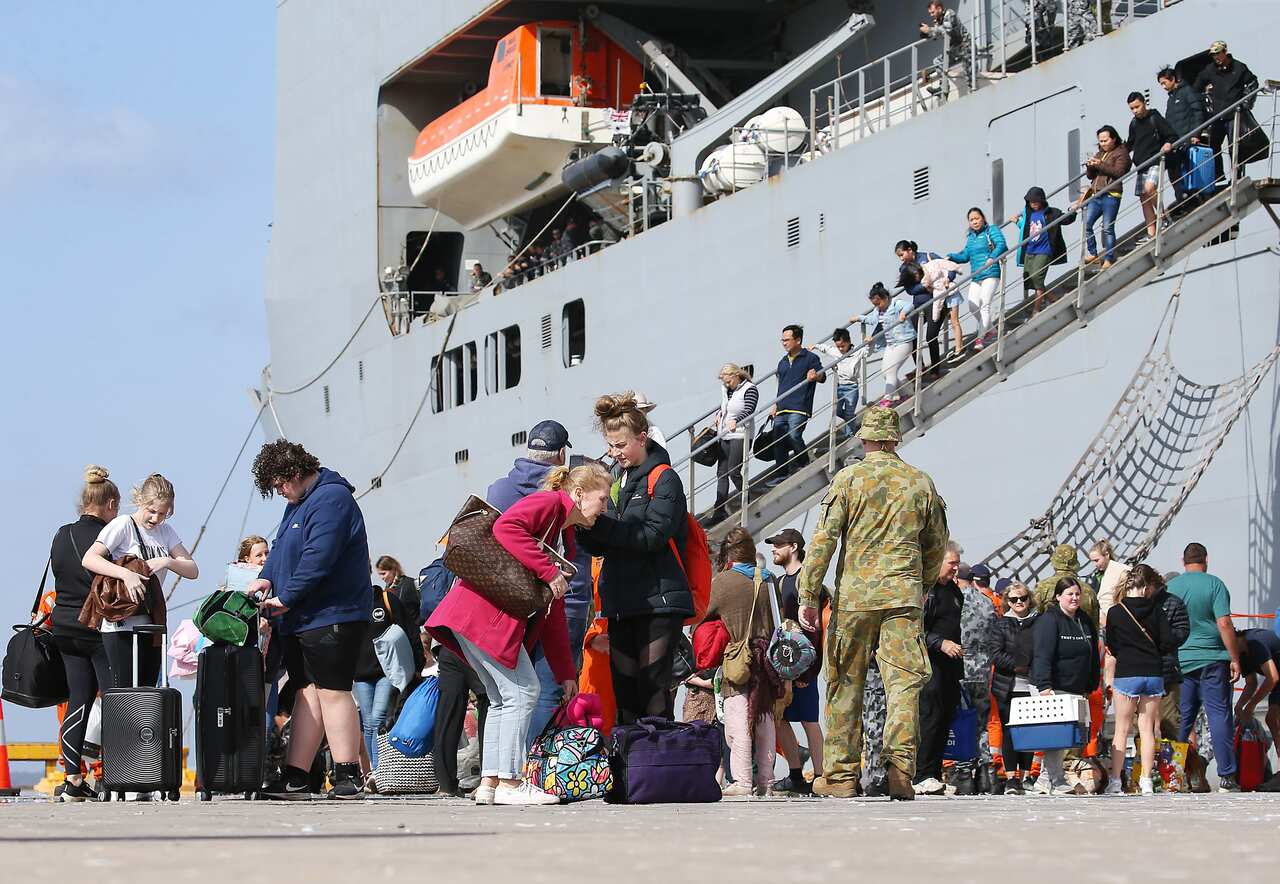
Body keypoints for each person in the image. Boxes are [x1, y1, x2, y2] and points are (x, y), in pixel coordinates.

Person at [428, 464, 606, 805]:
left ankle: (490, 784)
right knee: (524, 691)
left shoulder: (562, 535)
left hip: (475, 616)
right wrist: (548, 569)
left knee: (501, 698)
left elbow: (550, 612)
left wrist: (566, 673)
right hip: (484, 617)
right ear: (580, 494)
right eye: (602, 498)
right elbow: (506, 527)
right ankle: (511, 783)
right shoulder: (550, 504)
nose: (604, 508)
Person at [798, 406, 949, 800]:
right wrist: (923, 584)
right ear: (895, 439)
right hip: (903, 596)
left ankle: (842, 776)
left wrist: (809, 594)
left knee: (845, 683)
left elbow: (823, 541)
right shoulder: (920, 483)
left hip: (855, 600)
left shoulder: (848, 480)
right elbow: (936, 545)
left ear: (866, 438)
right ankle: (900, 769)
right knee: (903, 684)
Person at [248, 441, 372, 801]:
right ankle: (296, 776)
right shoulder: (297, 503)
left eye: (280, 485)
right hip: (302, 616)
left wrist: (287, 597)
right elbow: (282, 547)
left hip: (332, 613)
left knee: (333, 690)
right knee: (307, 692)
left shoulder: (332, 499)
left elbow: (320, 556)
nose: (280, 493)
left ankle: (347, 773)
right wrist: (266, 577)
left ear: (296, 473)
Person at [577, 393, 694, 723]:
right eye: (611, 446)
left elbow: (652, 535)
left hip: (657, 601)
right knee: (625, 695)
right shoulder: (616, 482)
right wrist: (584, 525)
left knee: (653, 690)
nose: (615, 454)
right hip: (622, 603)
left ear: (642, 438)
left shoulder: (664, 478)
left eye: (621, 445)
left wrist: (604, 528)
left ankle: (659, 768)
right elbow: (605, 544)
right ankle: (632, 771)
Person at [484, 419, 585, 741]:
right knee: (547, 688)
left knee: (505, 696)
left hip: (507, 601)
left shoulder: (500, 489)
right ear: (561, 454)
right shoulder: (561, 491)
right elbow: (570, 549)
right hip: (557, 597)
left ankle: (503, 767)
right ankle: (533, 765)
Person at [82, 473, 197, 693]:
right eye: (151, 511)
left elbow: (192, 570)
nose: (156, 518)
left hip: (150, 621)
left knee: (147, 694)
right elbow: (90, 558)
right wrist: (126, 574)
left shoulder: (165, 531)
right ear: (140, 502)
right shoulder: (124, 524)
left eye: (162, 514)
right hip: (121, 620)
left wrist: (167, 561)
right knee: (124, 694)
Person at [47, 466, 121, 801]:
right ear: (110, 504)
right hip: (97, 626)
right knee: (114, 699)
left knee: (77, 699)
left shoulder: (61, 534)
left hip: (63, 625)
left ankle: (73, 779)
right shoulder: (109, 536)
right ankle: (118, 777)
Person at [702, 528, 779, 797]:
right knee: (764, 718)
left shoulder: (724, 581)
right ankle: (767, 783)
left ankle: (743, 782)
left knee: (738, 721)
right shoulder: (770, 579)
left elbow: (702, 614)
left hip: (738, 658)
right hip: (769, 658)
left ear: (728, 554)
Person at [1166, 542, 1241, 792]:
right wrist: (1235, 658)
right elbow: (1224, 624)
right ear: (1206, 559)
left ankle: (1174, 775)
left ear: (1183, 560)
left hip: (1181, 662)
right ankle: (1227, 777)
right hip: (1213, 660)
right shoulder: (1214, 584)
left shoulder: (1172, 587)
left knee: (1181, 720)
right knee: (1219, 716)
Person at [1103, 564, 1177, 796]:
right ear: (1145, 587)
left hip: (1127, 672)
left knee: (1122, 730)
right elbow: (1167, 643)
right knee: (1147, 729)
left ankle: (1116, 781)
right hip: (1153, 673)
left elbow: (1112, 645)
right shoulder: (1157, 610)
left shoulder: (1116, 612)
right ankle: (1145, 780)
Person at [1029, 577, 1101, 795]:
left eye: (1077, 594)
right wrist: (1044, 686)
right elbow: (1042, 654)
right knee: (1056, 736)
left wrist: (1091, 683)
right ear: (1058, 596)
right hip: (1053, 686)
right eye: (1069, 594)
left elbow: (1093, 654)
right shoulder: (1049, 620)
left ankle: (1043, 780)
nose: (1075, 598)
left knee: (1066, 737)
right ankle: (1056, 780)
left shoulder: (1084, 620)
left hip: (1076, 687)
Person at [766, 528, 824, 796]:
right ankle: (795, 774)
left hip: (806, 666)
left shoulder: (808, 581)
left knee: (809, 721)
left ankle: (822, 776)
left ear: (794, 547)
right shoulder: (779, 583)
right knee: (781, 719)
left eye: (778, 545)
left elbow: (820, 628)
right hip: (785, 666)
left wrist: (811, 669)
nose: (773, 549)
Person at [353, 581, 425, 780]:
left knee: (377, 718)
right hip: (360, 675)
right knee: (368, 723)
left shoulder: (385, 600)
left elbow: (410, 630)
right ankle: (373, 773)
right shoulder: (348, 603)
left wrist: (418, 663)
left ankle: (378, 771)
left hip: (387, 671)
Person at [916, 542, 964, 796]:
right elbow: (916, 630)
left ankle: (934, 774)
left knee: (945, 718)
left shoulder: (955, 592)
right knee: (929, 718)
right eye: (952, 563)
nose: (956, 568)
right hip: (929, 663)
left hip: (951, 667)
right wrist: (940, 643)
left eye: (957, 563)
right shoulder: (926, 591)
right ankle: (920, 774)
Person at [954, 556, 1000, 794]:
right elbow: (994, 635)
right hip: (982, 669)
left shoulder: (955, 601)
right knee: (982, 723)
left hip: (960, 665)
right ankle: (986, 772)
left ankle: (963, 773)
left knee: (962, 721)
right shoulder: (986, 602)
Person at [991, 581, 1039, 795]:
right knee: (1010, 731)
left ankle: (1027, 775)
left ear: (1029, 599)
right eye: (1014, 599)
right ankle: (1011, 777)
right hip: (1008, 686)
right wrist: (1017, 665)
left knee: (1028, 731)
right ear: (1007, 601)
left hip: (1031, 685)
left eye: (1023, 598)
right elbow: (995, 652)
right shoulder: (1001, 624)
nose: (1019, 602)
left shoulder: (1038, 622)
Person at [1193, 41, 1260, 183]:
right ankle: (1218, 175)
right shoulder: (1210, 69)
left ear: (1225, 51)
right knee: (1213, 145)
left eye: (1218, 53)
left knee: (1234, 146)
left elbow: (1253, 83)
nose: (1216, 57)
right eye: (1213, 54)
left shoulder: (1239, 68)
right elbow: (1197, 86)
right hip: (1218, 115)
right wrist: (1205, 97)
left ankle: (1236, 176)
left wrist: (1247, 102)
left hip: (1234, 113)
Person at [768, 325, 825, 483]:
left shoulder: (810, 358)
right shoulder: (782, 362)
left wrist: (815, 376)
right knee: (778, 441)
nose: (784, 343)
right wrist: (775, 404)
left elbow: (823, 376)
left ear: (798, 340)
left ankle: (804, 462)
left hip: (799, 407)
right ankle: (781, 474)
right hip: (782, 407)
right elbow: (782, 385)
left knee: (794, 435)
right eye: (782, 340)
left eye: (787, 340)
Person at [946, 208, 1007, 351]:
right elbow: (966, 256)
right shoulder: (971, 237)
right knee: (973, 306)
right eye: (971, 220)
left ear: (983, 218)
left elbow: (1001, 244)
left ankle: (980, 338)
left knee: (985, 304)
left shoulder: (991, 230)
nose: (974, 222)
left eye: (977, 218)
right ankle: (990, 330)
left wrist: (993, 257)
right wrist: (951, 256)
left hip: (991, 273)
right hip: (977, 275)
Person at [1008, 186, 1076, 315]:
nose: (1033, 204)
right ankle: (1051, 298)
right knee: (1031, 279)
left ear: (1042, 201)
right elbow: (1026, 229)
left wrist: (1072, 210)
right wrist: (1017, 221)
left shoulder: (1051, 213)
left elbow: (1066, 219)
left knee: (1036, 277)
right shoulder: (1029, 214)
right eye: (1030, 202)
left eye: (1035, 201)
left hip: (1044, 251)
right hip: (1030, 251)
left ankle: (1036, 309)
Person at [1075, 125, 1132, 269]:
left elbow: (1119, 172)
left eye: (1105, 140)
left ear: (1113, 139)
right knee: (1087, 224)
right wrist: (1090, 166)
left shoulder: (1121, 153)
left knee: (1107, 227)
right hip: (1097, 194)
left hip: (1112, 194)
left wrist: (1100, 165)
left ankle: (1109, 257)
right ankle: (1093, 253)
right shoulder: (1100, 153)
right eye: (1100, 141)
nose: (1103, 144)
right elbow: (1090, 176)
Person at [1125, 92, 1177, 243]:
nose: (1135, 111)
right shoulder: (1134, 123)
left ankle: (1164, 216)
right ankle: (1151, 232)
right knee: (1143, 198)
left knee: (1149, 189)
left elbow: (1171, 134)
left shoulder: (1154, 118)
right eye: (1132, 108)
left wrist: (1168, 144)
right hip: (1141, 164)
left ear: (1144, 103)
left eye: (1137, 107)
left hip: (1155, 160)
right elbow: (1131, 142)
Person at [856, 283, 916, 405]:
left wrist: (903, 313)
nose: (878, 307)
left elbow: (910, 305)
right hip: (891, 344)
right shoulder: (878, 310)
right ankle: (904, 394)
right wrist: (859, 318)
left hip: (903, 342)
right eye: (875, 305)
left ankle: (888, 398)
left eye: (879, 303)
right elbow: (873, 320)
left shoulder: (895, 303)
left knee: (891, 371)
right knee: (885, 372)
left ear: (886, 298)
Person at [713, 363, 759, 521]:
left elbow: (749, 410)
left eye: (728, 381)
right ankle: (718, 512)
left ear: (736, 376)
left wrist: (736, 421)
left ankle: (748, 499)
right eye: (724, 382)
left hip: (740, 435)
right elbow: (726, 407)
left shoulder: (750, 389)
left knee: (733, 471)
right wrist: (719, 413)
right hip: (725, 435)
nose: (726, 385)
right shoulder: (727, 390)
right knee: (721, 474)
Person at [1158, 67, 1208, 209]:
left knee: (1188, 170)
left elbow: (1198, 112)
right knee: (1175, 171)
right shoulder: (1171, 99)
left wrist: (1195, 134)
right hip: (1177, 142)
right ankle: (1183, 197)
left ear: (1173, 79)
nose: (1163, 87)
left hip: (1187, 139)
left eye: (1164, 83)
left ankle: (1194, 196)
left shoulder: (1187, 92)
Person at [1235, 627, 1280, 785]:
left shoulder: (1254, 642)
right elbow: (1251, 683)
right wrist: (1239, 706)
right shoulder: (1242, 653)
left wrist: (1252, 705)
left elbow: (1272, 677)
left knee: (1273, 719)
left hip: (1277, 679)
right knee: (1272, 720)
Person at [810, 328, 864, 439]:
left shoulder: (857, 351)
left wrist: (869, 341)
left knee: (849, 411)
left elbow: (867, 350)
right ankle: (852, 420)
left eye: (842, 346)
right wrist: (815, 346)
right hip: (839, 387)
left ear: (848, 342)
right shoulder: (836, 351)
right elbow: (826, 348)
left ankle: (849, 435)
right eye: (838, 346)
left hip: (852, 387)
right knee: (837, 411)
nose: (840, 349)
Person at [919, 1, 970, 98]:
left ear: (939, 9)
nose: (931, 15)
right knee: (938, 61)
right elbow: (936, 35)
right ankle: (943, 88)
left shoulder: (949, 14)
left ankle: (971, 88)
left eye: (932, 12)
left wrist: (930, 29)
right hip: (955, 48)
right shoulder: (939, 20)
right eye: (930, 13)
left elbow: (947, 30)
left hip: (965, 46)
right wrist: (926, 33)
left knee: (970, 74)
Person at [375, 555, 421, 630]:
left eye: (383, 573)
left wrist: (416, 624)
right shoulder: (387, 589)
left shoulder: (409, 584)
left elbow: (423, 607)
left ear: (393, 569)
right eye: (380, 574)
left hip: (414, 633)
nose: (382, 578)